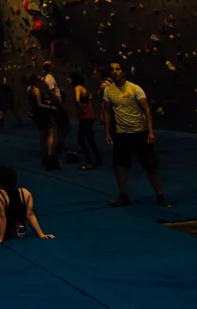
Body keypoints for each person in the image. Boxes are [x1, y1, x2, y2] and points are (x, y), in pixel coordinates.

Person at [101, 60, 169, 207]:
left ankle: (160, 196)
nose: (115, 72)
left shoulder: (135, 89)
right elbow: (107, 112)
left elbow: (146, 110)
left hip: (140, 132)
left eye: (118, 69)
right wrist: (107, 132)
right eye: (112, 70)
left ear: (123, 72)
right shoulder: (108, 91)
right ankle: (123, 196)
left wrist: (151, 131)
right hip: (122, 134)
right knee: (119, 166)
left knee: (151, 166)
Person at [70, 71, 101, 170]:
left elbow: (77, 100)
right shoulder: (85, 88)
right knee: (90, 139)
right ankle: (98, 159)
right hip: (90, 116)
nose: (68, 80)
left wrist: (81, 110)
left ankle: (89, 162)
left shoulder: (78, 88)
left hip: (85, 117)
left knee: (81, 139)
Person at [27, 72, 57, 168]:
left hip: (36, 114)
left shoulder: (28, 89)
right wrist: (51, 107)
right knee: (50, 133)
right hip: (42, 114)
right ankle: (49, 154)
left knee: (42, 132)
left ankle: (44, 152)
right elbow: (39, 104)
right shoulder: (36, 90)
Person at [42, 60, 71, 155]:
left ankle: (60, 145)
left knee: (62, 126)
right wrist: (60, 104)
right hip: (56, 104)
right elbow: (52, 93)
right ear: (50, 67)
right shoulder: (49, 79)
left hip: (57, 103)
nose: (54, 66)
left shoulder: (51, 77)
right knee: (64, 126)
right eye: (52, 65)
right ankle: (60, 145)